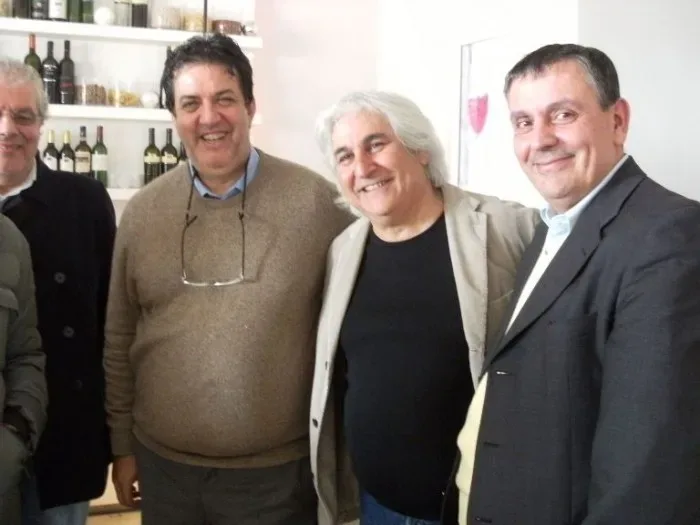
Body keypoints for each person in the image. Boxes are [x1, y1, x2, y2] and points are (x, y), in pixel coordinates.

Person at [104, 33, 353, 525]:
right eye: (190, 104)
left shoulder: (318, 205)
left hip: (276, 480)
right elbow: (120, 337)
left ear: (250, 107)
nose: (209, 117)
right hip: (164, 472)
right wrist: (121, 445)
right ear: (174, 116)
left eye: (224, 99)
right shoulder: (143, 212)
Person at [456, 43, 700, 525]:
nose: (541, 139)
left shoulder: (670, 236)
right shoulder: (551, 228)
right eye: (523, 122)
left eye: (562, 114)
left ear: (618, 120)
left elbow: (648, 476)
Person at [309, 90, 539, 525]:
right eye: (345, 156)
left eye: (377, 144)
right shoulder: (343, 250)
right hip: (378, 506)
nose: (363, 167)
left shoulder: (508, 228)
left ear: (420, 149)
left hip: (477, 507)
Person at [0, 59, 116, 525]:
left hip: (64, 437)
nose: (8, 129)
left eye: (23, 116)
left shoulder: (84, 202)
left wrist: (117, 439)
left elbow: (111, 324)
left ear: (41, 126)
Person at [0, 58, 48, 525]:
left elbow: (25, 355)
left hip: (23, 476)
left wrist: (11, 444)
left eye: (22, 116)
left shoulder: (10, 240)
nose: (7, 129)